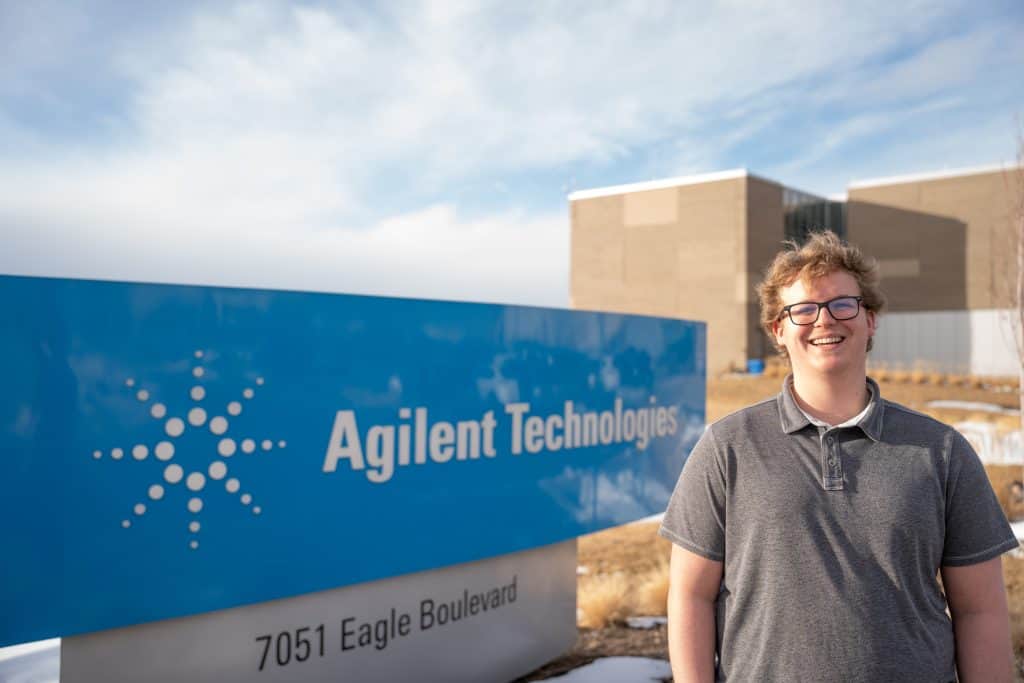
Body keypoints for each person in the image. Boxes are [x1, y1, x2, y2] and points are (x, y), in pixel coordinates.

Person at [660, 231, 1018, 682]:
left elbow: (979, 609)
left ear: (870, 320)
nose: (824, 321)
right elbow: (690, 595)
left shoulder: (942, 451)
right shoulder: (727, 447)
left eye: (842, 305)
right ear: (779, 330)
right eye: (803, 310)